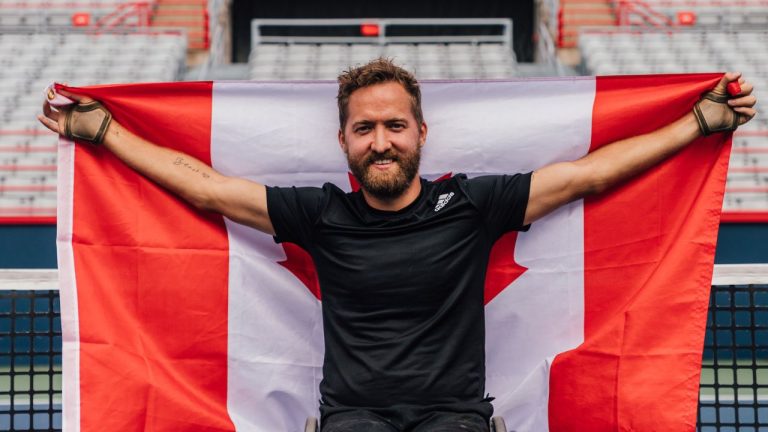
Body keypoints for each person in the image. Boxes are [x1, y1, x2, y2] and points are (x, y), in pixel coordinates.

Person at [39, 58, 756, 432]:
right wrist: (103, 132)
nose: (381, 140)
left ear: (420, 134)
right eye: (364, 128)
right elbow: (204, 189)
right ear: (344, 142)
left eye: (394, 126)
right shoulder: (320, 215)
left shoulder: (474, 205)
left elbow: (591, 174)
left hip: (456, 418)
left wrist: (698, 122)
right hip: (353, 419)